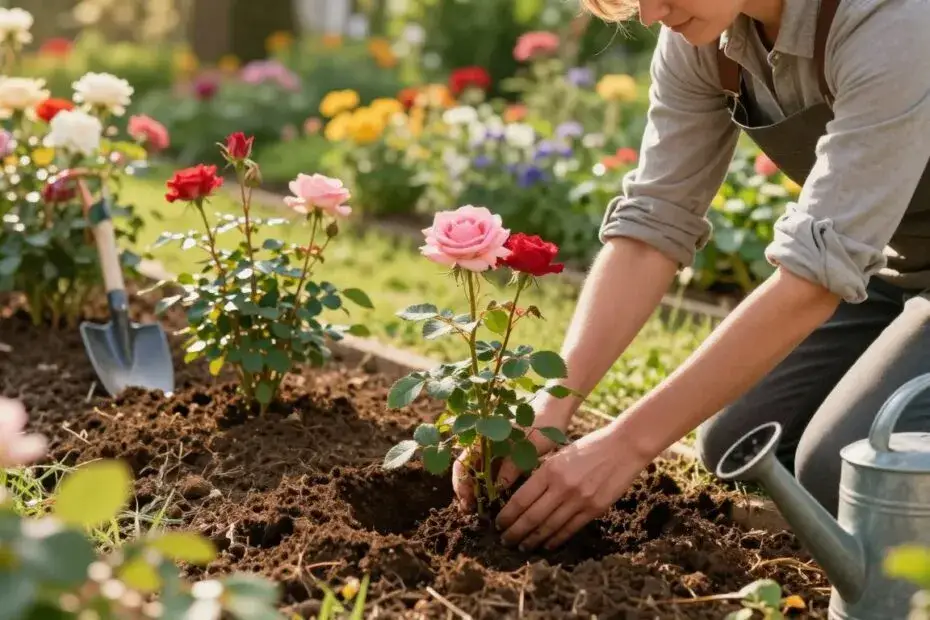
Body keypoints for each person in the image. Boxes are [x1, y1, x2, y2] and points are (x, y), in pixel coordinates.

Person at [453, 0, 930, 552]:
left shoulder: (892, 20)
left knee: (845, 468)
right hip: (900, 269)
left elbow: (813, 282)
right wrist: (552, 407)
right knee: (739, 443)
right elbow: (654, 222)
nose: (652, 13)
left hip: (884, 271)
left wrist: (626, 445)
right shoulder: (708, 36)